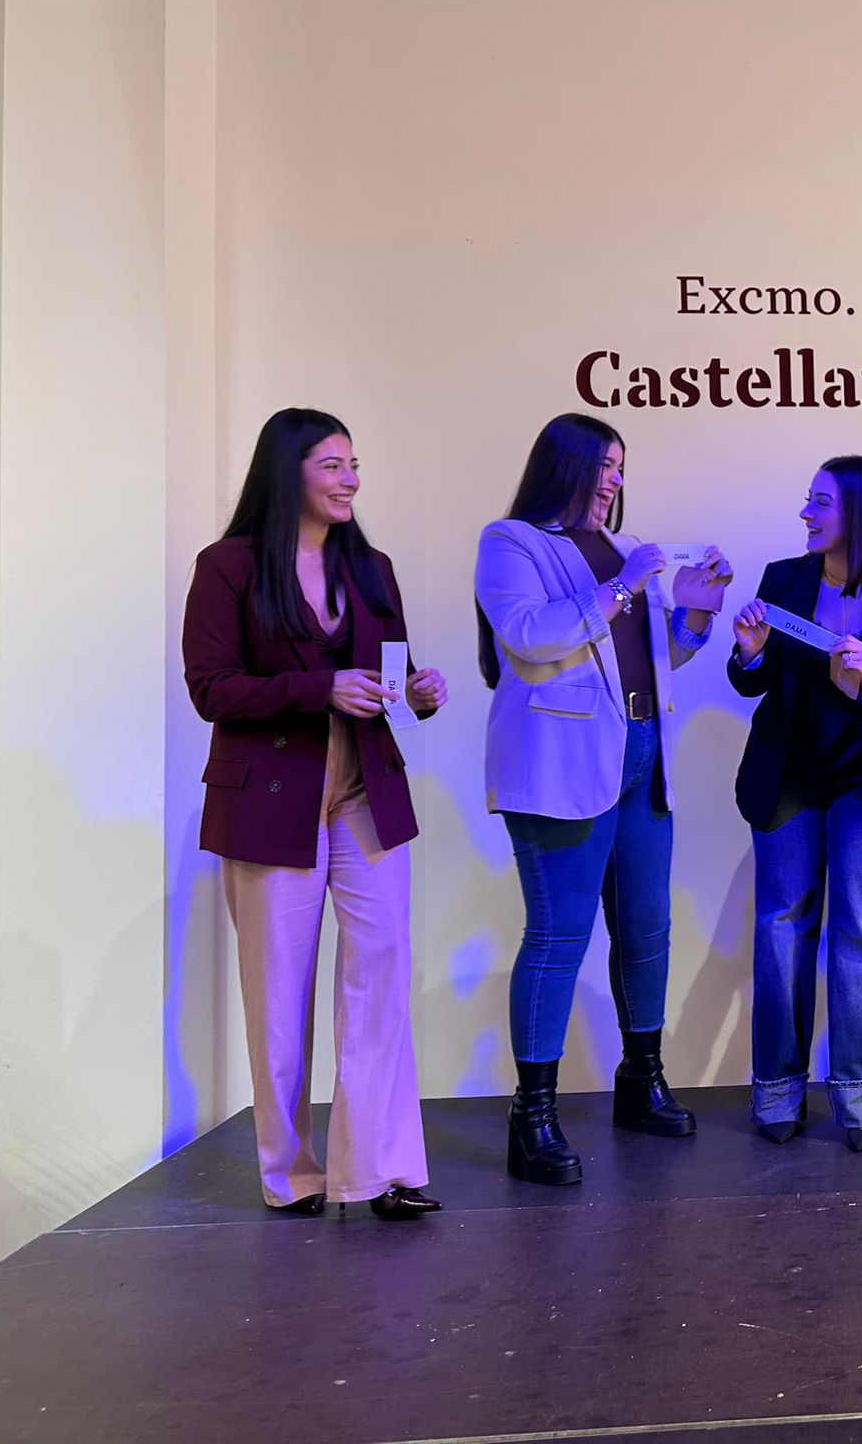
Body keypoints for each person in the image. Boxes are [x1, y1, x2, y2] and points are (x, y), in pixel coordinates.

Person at [183, 407, 445, 1220]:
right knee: (279, 994)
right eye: (333, 465)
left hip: (366, 787)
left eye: (354, 464)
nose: (350, 479)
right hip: (271, 796)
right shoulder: (227, 566)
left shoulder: (371, 565)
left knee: (381, 974)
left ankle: (380, 1171)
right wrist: (318, 687)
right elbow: (211, 688)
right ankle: (290, 1174)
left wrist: (418, 694)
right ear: (287, 471)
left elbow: (390, 678)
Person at [474, 413, 732, 1185]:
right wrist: (623, 587)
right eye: (604, 464)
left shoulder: (624, 547)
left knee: (647, 928)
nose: (615, 479)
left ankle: (641, 1080)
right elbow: (529, 635)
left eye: (621, 466)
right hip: (561, 763)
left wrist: (694, 609)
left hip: (643, 750)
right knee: (559, 935)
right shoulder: (512, 542)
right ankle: (533, 1117)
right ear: (567, 466)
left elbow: (653, 655)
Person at [728, 456, 862, 1151]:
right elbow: (752, 681)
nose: (806, 514)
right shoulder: (784, 580)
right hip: (790, 775)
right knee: (781, 928)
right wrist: (750, 653)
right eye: (808, 500)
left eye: (821, 503)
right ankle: (777, 1092)